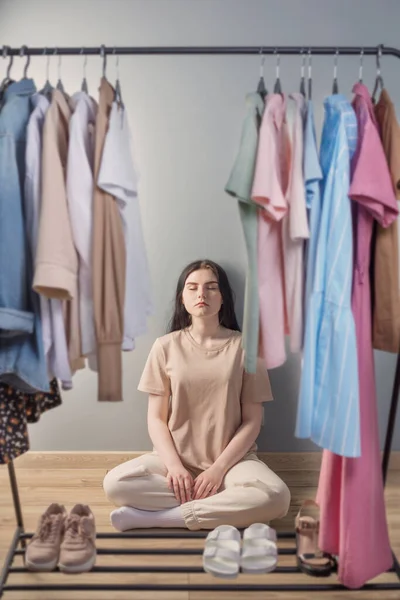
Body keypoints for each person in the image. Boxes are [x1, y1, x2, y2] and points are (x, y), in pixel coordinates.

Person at [103, 259, 290, 531]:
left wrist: (217, 470)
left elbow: (252, 420)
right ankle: (223, 506)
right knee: (115, 484)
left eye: (211, 288)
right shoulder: (164, 346)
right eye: (192, 288)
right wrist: (175, 467)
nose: (201, 294)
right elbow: (156, 418)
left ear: (223, 297)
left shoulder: (246, 348)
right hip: (173, 463)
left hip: (232, 463)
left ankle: (154, 519)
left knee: (277, 498)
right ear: (182, 298)